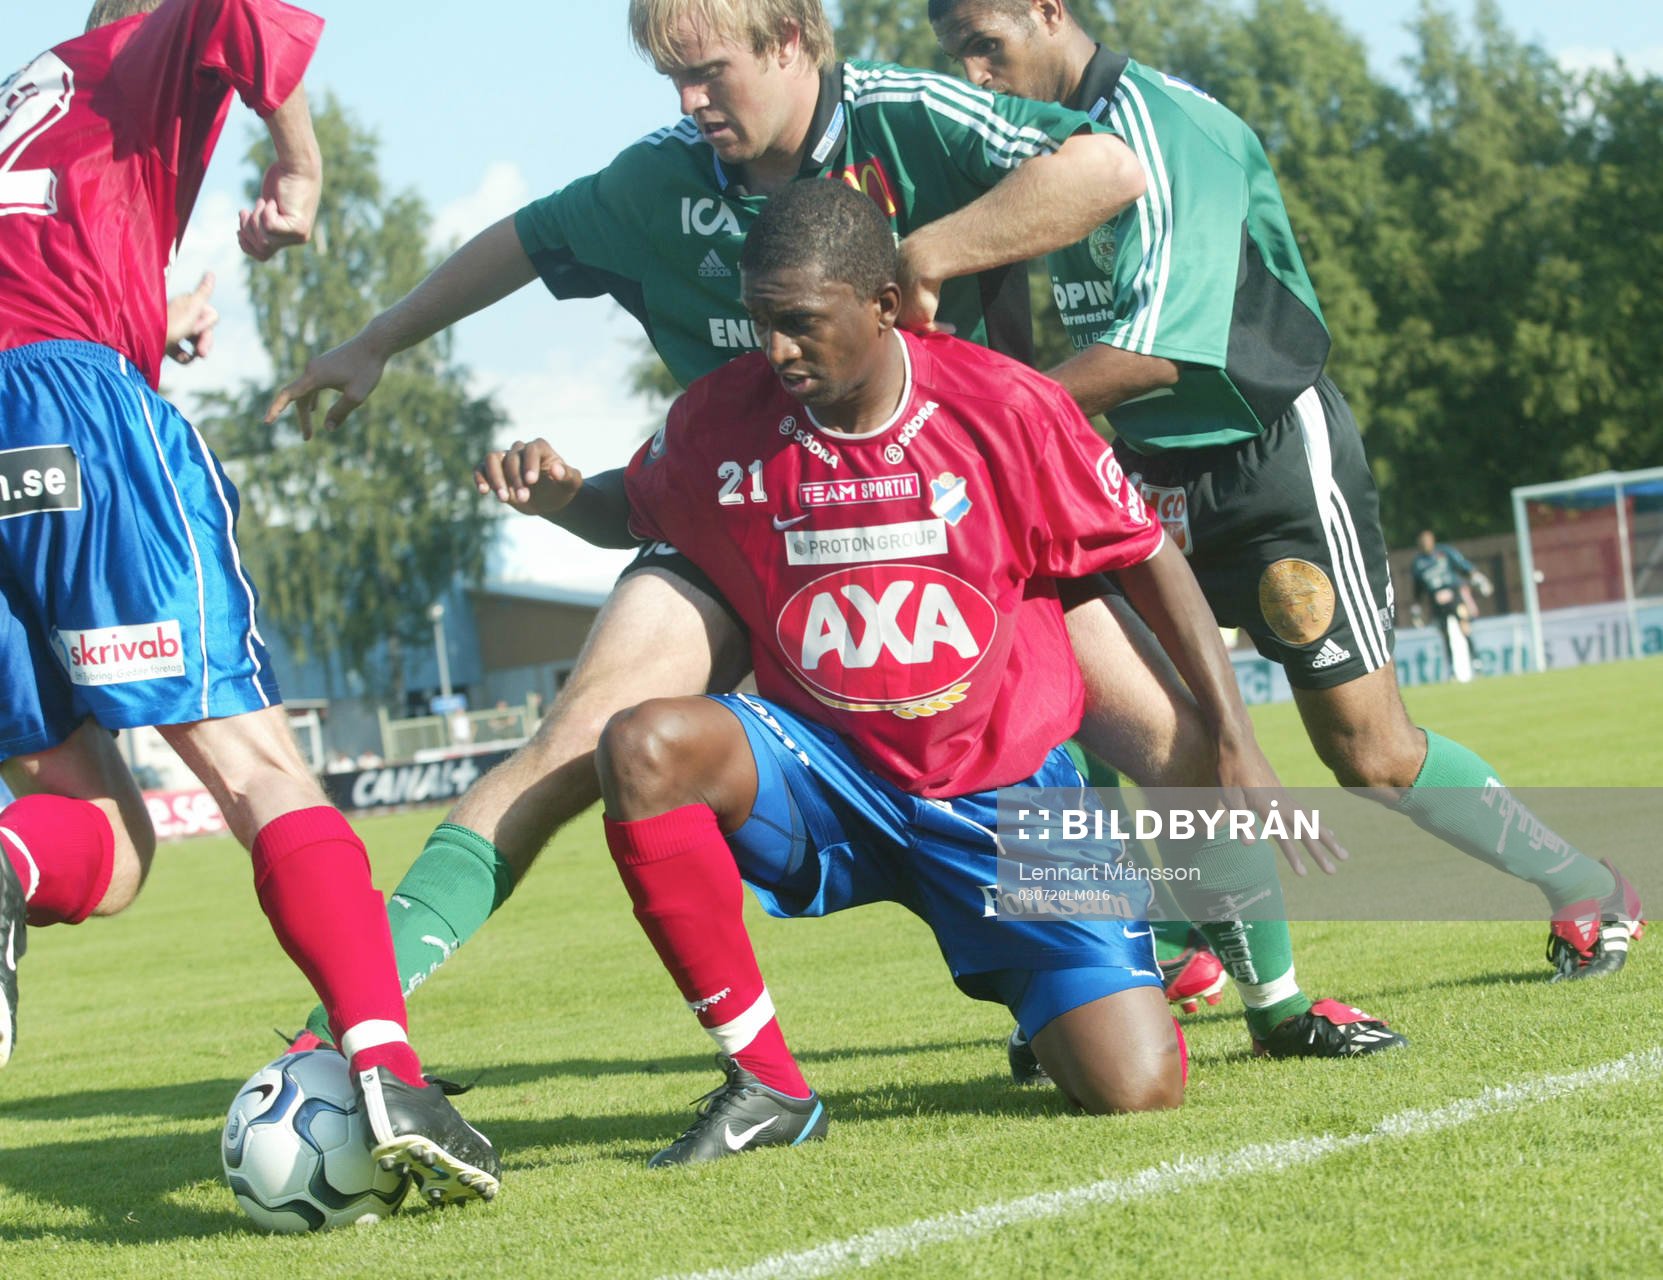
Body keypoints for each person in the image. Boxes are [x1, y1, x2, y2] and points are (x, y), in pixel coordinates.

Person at [271, 0, 1389, 1068]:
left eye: (711, 71)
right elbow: (523, 238)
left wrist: (928, 253)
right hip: (744, 517)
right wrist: (377, 340)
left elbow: (1107, 166)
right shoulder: (661, 179)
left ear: (795, 41)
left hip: (962, 514)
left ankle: (1264, 998)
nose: (690, 99)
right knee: (573, 740)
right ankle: (355, 1027)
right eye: (672, 76)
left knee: (1178, 740)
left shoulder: (909, 115)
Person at [927, 0, 1644, 982]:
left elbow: (1161, 351)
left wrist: (984, 415)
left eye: (985, 44)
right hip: (1138, 473)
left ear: (1048, 12)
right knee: (1109, 707)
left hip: (1267, 459)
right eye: (953, 53)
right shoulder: (1020, 149)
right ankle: (1184, 938)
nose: (973, 73)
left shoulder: (1167, 128)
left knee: (1370, 755)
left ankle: (1584, 882)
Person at [489, 179, 1202, 1162]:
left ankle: (1043, 982)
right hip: (831, 772)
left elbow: (1141, 550)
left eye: (798, 323)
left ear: (880, 305)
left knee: (1136, 1088)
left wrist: (1236, 736)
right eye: (759, 323)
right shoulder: (720, 419)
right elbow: (634, 507)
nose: (774, 349)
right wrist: (566, 494)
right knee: (643, 746)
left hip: (1006, 798)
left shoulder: (1006, 405)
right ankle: (767, 1082)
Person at [0, 0, 498, 1203]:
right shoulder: (137, 39)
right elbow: (236, 10)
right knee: (260, 765)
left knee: (108, 848)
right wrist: (301, 161)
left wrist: (144, 316)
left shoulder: (23, 109)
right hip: (70, 412)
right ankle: (385, 1064)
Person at [1409, 530, 1492, 682]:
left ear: (1433, 540)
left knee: (1464, 628)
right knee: (1446, 635)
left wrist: (1477, 577)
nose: (1426, 544)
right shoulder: (1418, 563)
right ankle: (1452, 670)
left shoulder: (1445, 552)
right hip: (1437, 603)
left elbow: (1464, 566)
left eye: (1428, 541)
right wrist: (1416, 608)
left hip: (1455, 597)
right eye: (1423, 542)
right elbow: (1417, 589)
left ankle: (1477, 663)